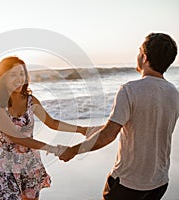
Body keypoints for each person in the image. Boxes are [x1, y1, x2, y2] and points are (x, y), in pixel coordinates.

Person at [59, 33, 179, 200]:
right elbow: (145, 123)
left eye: (139, 52)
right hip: (159, 182)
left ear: (144, 57)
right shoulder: (174, 92)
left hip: (128, 183)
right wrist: (88, 131)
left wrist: (73, 150)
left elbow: (109, 135)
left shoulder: (129, 90)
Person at [0, 56, 87, 200]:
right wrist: (53, 148)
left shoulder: (30, 101)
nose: (19, 79)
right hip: (6, 166)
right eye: (13, 75)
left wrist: (82, 129)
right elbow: (17, 138)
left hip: (30, 163)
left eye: (22, 74)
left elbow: (52, 122)